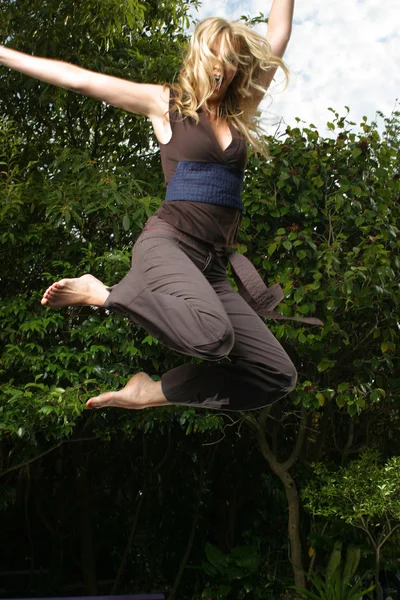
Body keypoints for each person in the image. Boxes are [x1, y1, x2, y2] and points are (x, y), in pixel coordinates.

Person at [0, 1, 308, 412]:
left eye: (231, 60)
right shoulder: (168, 104)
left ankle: (150, 392)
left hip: (213, 264)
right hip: (167, 246)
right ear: (200, 56)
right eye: (216, 55)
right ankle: (103, 293)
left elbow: (279, 33)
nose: (223, 67)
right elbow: (78, 79)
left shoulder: (240, 111)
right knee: (215, 337)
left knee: (277, 374)